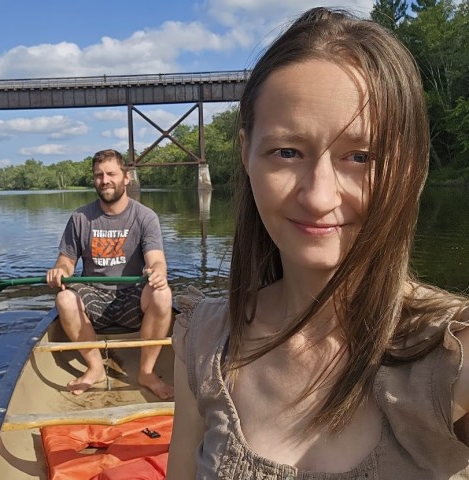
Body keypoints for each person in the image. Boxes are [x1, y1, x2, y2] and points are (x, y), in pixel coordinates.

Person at [167, 7, 469, 479]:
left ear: (410, 167)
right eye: (286, 152)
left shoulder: (450, 354)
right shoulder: (202, 341)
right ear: (246, 154)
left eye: (361, 156)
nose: (319, 196)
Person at [46, 149, 174, 400]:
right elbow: (66, 262)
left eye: (111, 174)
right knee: (64, 299)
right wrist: (60, 272)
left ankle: (146, 373)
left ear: (126, 178)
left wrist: (157, 273)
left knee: (162, 294)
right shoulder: (80, 218)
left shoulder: (145, 217)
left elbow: (157, 261)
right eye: (99, 175)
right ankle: (95, 368)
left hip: (131, 297)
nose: (105, 180)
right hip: (93, 296)